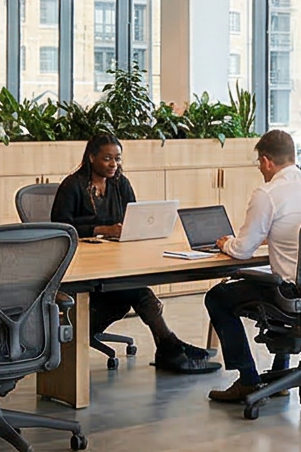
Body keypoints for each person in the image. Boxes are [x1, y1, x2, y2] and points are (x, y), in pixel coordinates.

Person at [49, 133, 219, 373]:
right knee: (138, 291)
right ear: (91, 157)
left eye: (117, 159)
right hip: (82, 264)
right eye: (107, 158)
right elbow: (60, 227)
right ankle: (170, 347)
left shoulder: (120, 184)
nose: (113, 164)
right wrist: (101, 229)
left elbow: (134, 218)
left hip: (116, 258)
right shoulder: (73, 185)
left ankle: (169, 347)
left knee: (136, 288)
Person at [203, 129, 301, 406]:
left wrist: (227, 242)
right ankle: (279, 376)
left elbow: (242, 251)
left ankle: (248, 379)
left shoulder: (268, 193)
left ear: (265, 161)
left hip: (290, 293)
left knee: (217, 297)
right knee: (275, 279)